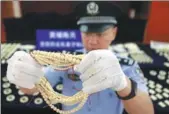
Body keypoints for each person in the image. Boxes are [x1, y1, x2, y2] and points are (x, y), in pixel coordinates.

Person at [6, 1, 154, 114]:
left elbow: (147, 112)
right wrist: (24, 76)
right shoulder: (69, 59)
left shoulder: (126, 65)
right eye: (87, 33)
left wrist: (124, 85)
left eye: (100, 33)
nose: (93, 41)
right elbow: (35, 87)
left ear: (114, 33)